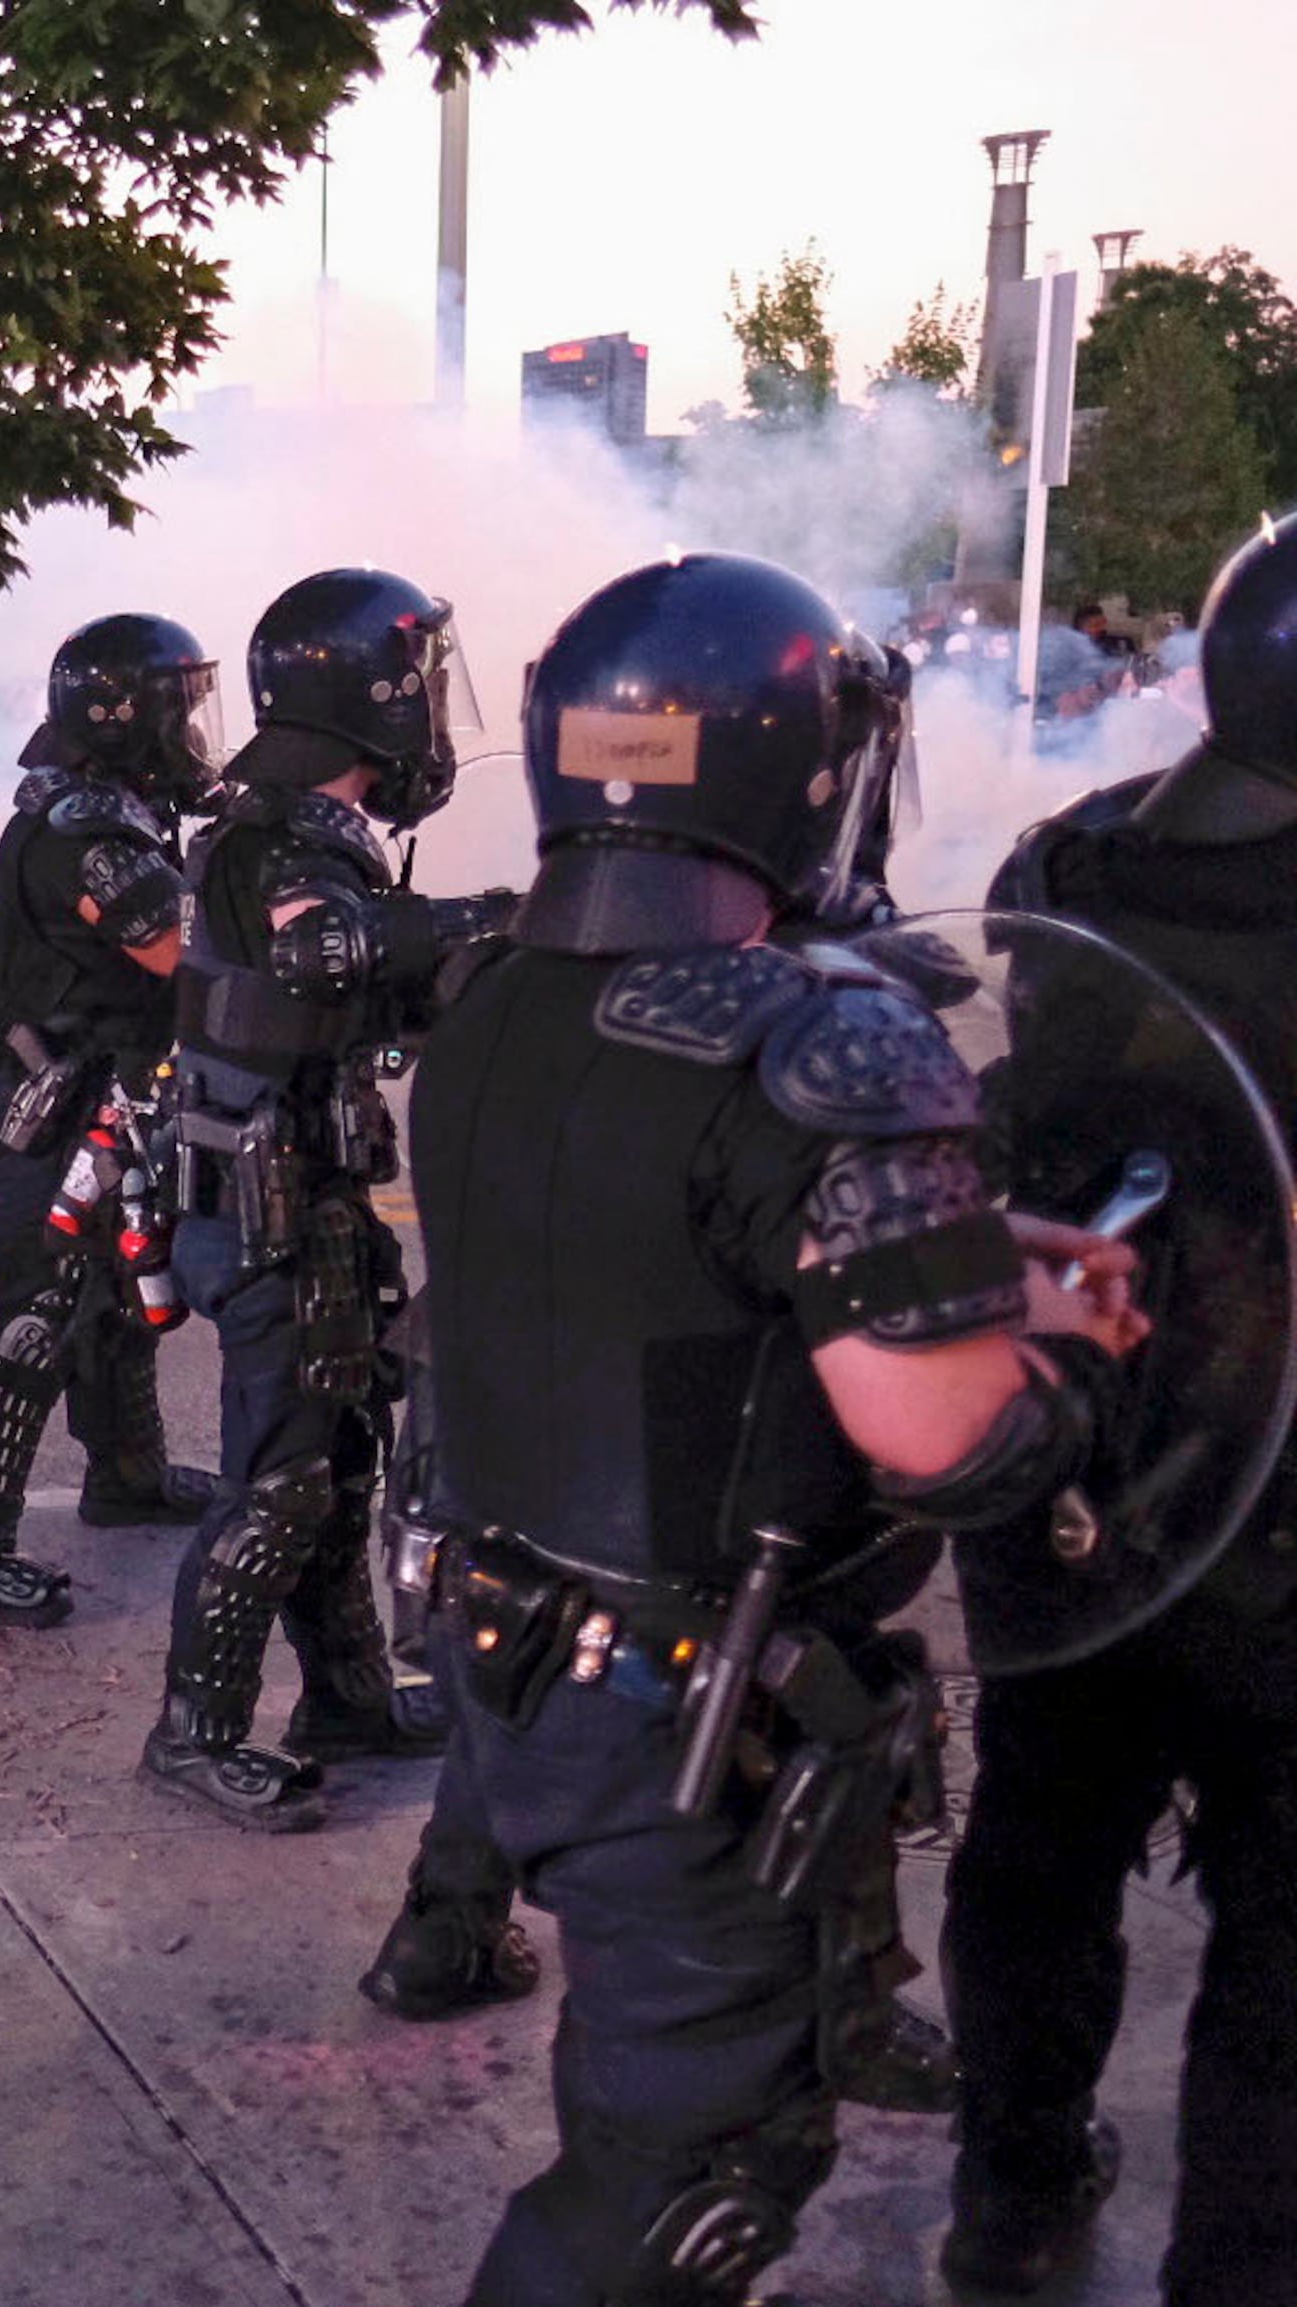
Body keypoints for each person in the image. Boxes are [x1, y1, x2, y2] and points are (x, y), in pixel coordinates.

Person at [420, 551, 1148, 2307]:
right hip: (688, 1706)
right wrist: (1083, 1370)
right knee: (689, 2175)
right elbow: (947, 1445)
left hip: (521, 1649)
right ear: (804, 771)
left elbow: (668, 1260)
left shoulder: (495, 996)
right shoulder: (817, 1046)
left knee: (658, 2097)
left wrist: (975, 1258)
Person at [944, 518, 1297, 2302]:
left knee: (1039, 1838)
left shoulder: (1071, 859)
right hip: (1275, 1491)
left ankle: (1008, 2183)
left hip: (1074, 1443)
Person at [147, 568, 516, 1828]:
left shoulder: (293, 830)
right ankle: (194, 1730)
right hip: (268, 1207)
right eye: (420, 685)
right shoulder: (280, 841)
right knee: (284, 1474)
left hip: (313, 1193)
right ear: (373, 701)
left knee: (340, 1456)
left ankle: (347, 1695)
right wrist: (507, 920)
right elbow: (328, 952)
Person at [0, 612, 223, 1630]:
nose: (194, 731)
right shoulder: (84, 834)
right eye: (180, 710)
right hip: (48, 1113)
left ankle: (127, 1475)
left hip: (103, 1102)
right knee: (41, 1318)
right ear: (126, 720)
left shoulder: (110, 813)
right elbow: (178, 950)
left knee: (116, 1300)